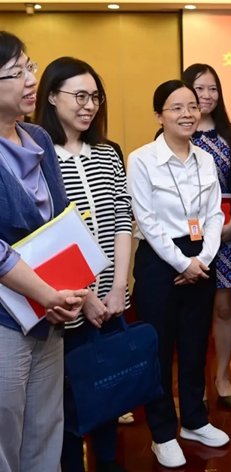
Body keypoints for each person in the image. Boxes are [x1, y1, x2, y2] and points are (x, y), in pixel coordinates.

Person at [35, 56, 132, 472]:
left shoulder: (108, 152)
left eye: (95, 96)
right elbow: (49, 237)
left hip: (110, 299)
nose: (89, 105)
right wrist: (86, 296)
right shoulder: (39, 155)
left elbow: (123, 215)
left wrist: (118, 285)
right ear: (52, 97)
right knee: (68, 402)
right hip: (65, 303)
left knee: (109, 392)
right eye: (79, 95)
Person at [127, 79, 229, 468]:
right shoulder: (141, 159)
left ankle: (194, 419)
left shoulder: (204, 158)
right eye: (176, 108)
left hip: (201, 257)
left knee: (194, 343)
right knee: (160, 347)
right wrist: (182, 262)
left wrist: (202, 256)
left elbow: (216, 213)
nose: (188, 114)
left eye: (192, 106)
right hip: (159, 260)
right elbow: (146, 221)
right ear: (159, 116)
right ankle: (162, 432)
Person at [0, 31, 87, 472]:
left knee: (45, 428)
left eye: (30, 66)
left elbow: (62, 220)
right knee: (5, 432)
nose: (31, 79)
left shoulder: (35, 136)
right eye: (16, 73)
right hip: (7, 319)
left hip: (50, 313)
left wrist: (77, 290)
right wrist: (46, 294)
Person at [182, 63, 231, 408]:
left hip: (225, 235)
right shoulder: (173, 134)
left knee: (223, 307)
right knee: (192, 309)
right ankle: (192, 378)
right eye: (198, 88)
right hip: (186, 238)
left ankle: (222, 374)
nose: (206, 96)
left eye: (212, 89)